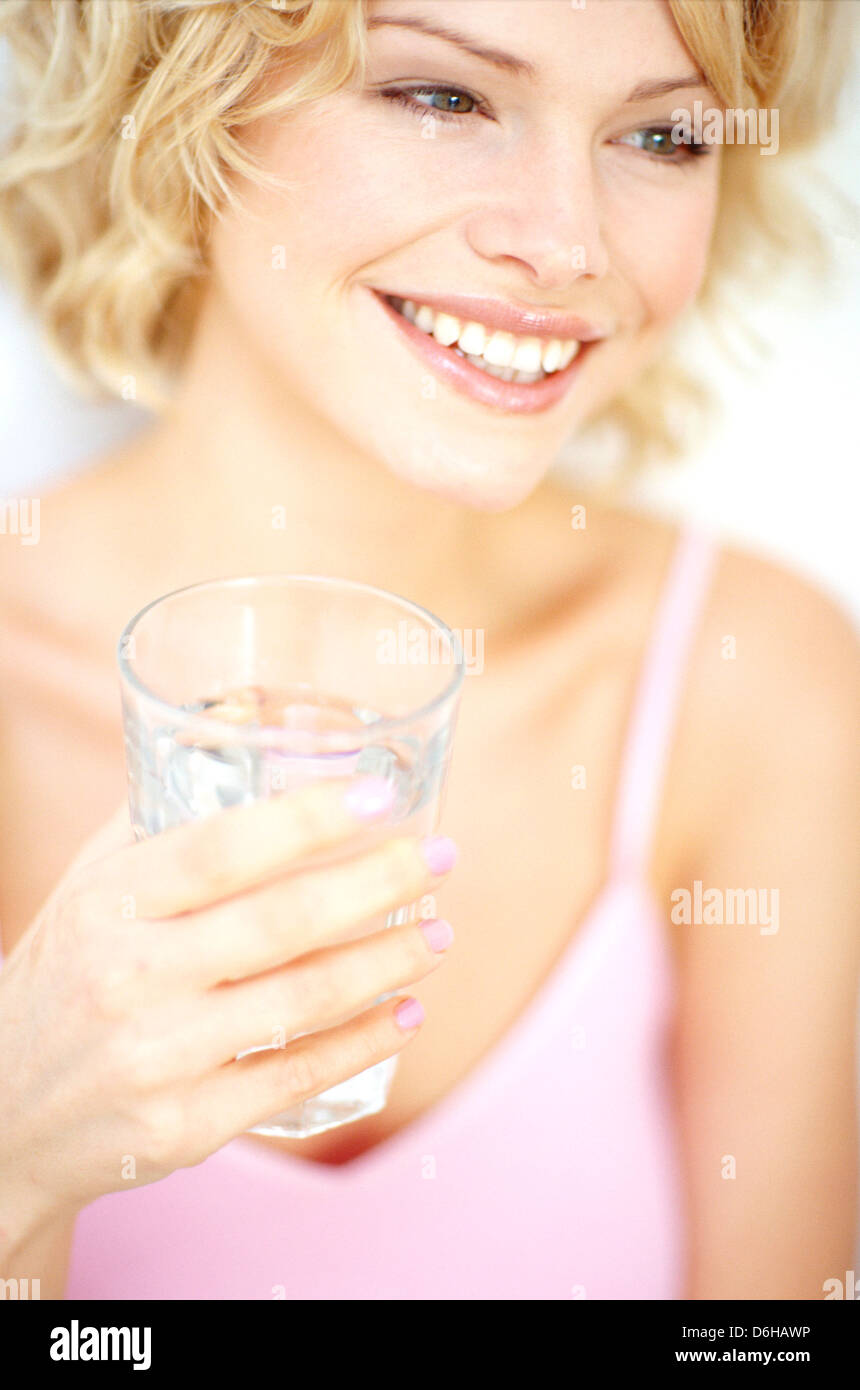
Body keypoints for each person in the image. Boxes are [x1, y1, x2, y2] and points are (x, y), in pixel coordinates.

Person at [0, 0, 857, 1300]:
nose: (565, 242)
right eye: (441, 97)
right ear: (182, 92)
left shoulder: (758, 689)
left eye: (664, 133)